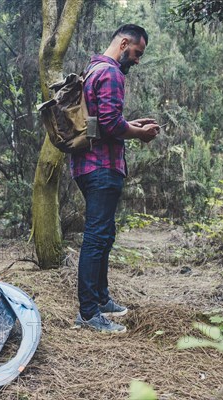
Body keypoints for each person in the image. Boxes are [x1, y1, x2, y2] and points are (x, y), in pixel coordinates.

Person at [72, 24, 160, 334]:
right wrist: (141, 134)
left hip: (88, 165)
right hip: (102, 168)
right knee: (97, 237)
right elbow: (110, 125)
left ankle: (100, 298)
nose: (137, 60)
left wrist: (130, 124)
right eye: (137, 53)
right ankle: (87, 312)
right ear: (124, 44)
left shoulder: (93, 69)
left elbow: (100, 120)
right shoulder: (110, 73)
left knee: (105, 233)